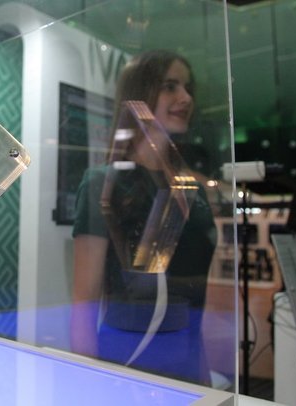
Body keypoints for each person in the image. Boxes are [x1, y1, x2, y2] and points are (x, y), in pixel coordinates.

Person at [70, 50, 217, 385]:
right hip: (127, 357)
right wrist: (85, 388)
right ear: (141, 93)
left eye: (187, 88)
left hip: (188, 358)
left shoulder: (191, 191)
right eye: (170, 86)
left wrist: (204, 379)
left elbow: (197, 301)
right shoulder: (103, 184)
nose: (186, 98)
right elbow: (84, 302)